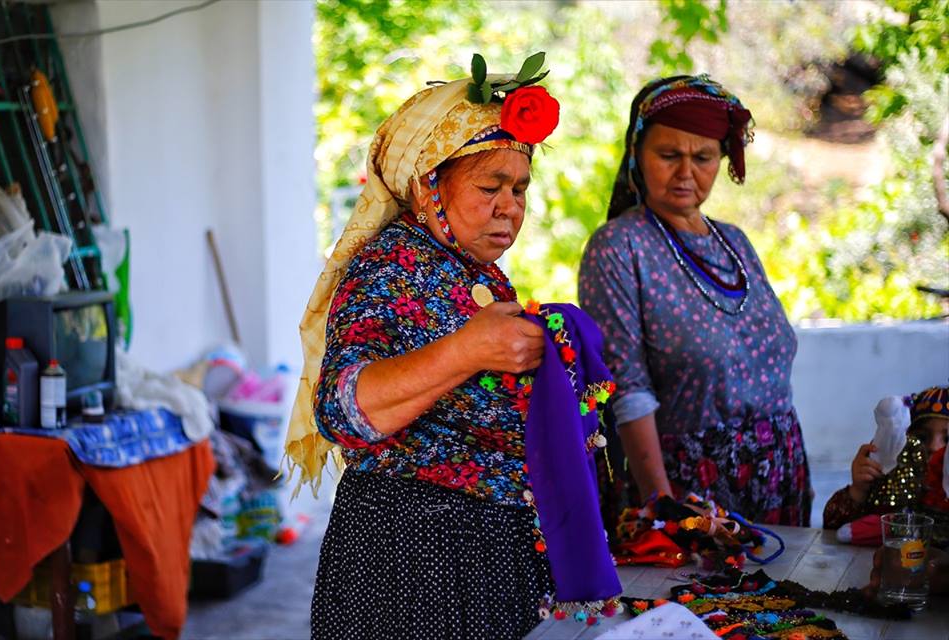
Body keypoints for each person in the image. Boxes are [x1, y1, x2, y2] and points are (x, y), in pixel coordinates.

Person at [283, 59, 583, 639]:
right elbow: (342, 410)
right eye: (490, 187)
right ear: (427, 185)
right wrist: (468, 350)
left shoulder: (474, 273)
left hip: (480, 559)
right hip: (413, 564)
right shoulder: (390, 268)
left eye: (519, 189)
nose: (509, 206)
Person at [579, 75, 812, 529]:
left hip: (779, 473)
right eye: (669, 155)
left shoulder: (735, 242)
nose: (686, 172)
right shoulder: (619, 248)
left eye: (703, 157)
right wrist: (663, 507)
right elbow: (627, 387)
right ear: (637, 153)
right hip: (691, 490)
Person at [823, 386, 949, 531]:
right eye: (921, 437)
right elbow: (833, 527)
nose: (934, 447)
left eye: (947, 439)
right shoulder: (888, 478)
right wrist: (858, 491)